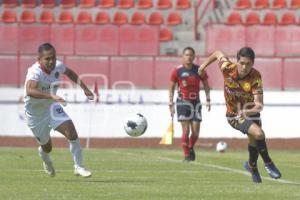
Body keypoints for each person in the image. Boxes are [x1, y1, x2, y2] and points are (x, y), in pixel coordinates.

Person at [198, 47, 281, 183]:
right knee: (259, 134)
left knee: (254, 141)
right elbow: (218, 52)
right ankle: (268, 163)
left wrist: (246, 111)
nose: (244, 67)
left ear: (252, 64)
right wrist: (203, 66)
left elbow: (259, 105)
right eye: (242, 63)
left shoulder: (255, 76)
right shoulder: (227, 68)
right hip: (233, 115)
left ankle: (252, 167)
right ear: (237, 61)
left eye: (248, 64)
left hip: (250, 112)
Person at [24, 43, 94, 177]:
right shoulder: (35, 72)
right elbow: (30, 90)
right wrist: (51, 95)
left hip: (52, 107)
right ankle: (45, 159)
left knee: (72, 133)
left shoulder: (58, 66)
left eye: (53, 58)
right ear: (39, 59)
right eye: (47, 59)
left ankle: (79, 166)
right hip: (35, 115)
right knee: (47, 147)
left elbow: (70, 73)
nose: (51, 62)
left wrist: (85, 88)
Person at [169, 47, 211, 162]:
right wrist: (170, 102)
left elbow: (206, 85)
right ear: (183, 56)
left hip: (196, 102)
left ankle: (191, 147)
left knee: (196, 132)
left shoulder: (199, 70)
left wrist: (208, 99)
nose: (189, 57)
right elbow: (171, 87)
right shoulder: (177, 71)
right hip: (182, 102)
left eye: (191, 55)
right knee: (186, 130)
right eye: (187, 55)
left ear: (194, 56)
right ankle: (187, 155)